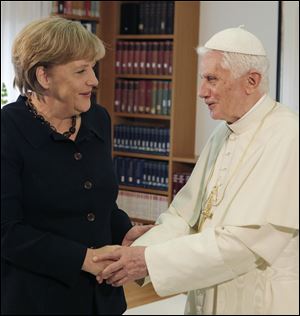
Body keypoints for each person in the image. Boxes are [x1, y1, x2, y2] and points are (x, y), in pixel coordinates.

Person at [93, 26, 299, 315]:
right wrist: (135, 253)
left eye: (212, 79)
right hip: (206, 295)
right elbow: (184, 216)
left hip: (259, 301)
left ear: (251, 81)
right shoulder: (222, 133)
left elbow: (244, 244)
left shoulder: (288, 135)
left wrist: (149, 260)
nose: (202, 92)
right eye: (203, 79)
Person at [1, 16, 153, 315]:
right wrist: (83, 258)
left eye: (93, 68)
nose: (94, 80)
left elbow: (101, 203)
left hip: (103, 301)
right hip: (35, 301)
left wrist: (124, 231)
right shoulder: (7, 129)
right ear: (44, 76)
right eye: (81, 71)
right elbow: (6, 231)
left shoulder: (98, 118)